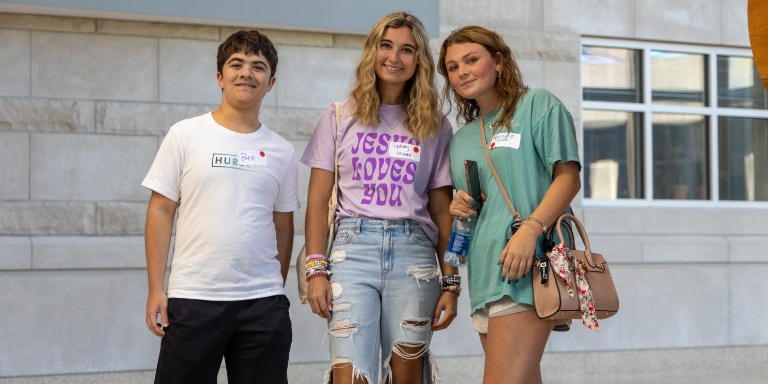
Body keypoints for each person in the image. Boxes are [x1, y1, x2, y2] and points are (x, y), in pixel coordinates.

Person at [301, 12, 458, 384]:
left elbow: (440, 208)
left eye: (407, 50)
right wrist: (315, 270)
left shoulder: (435, 124)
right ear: (372, 51)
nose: (395, 57)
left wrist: (451, 282)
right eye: (386, 46)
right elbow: (317, 198)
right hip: (352, 252)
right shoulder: (339, 116)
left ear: (418, 60)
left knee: (407, 376)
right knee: (351, 376)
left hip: (414, 253)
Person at [142, 30, 299, 384]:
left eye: (258, 67)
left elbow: (283, 225)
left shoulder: (282, 151)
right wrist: (156, 287)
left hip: (263, 305)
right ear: (220, 77)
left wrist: (275, 285)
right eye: (236, 64)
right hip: (194, 298)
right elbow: (161, 210)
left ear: (271, 82)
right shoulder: (185, 135)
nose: (247, 73)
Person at [437, 26, 582, 384]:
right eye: (453, 67)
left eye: (472, 60)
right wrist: (461, 209)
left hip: (530, 268)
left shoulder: (538, 105)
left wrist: (529, 231)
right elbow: (473, 217)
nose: (462, 72)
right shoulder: (461, 140)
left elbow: (568, 178)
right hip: (486, 273)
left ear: (498, 61)